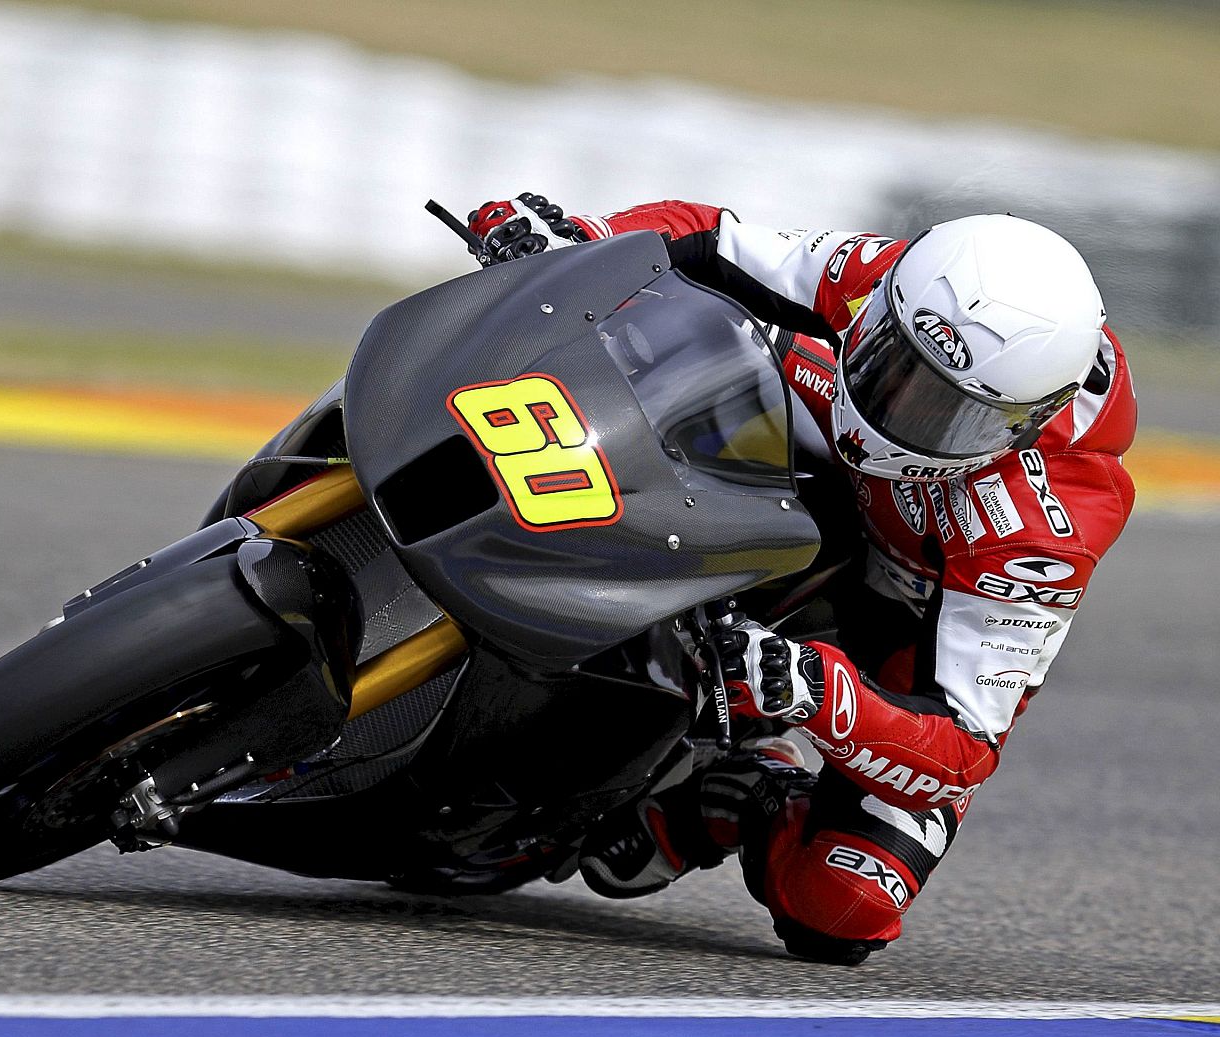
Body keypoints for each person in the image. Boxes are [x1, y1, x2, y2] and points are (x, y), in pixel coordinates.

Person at [465, 194, 1137, 965]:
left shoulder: (1042, 531)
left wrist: (814, 689)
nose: (893, 410)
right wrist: (581, 244)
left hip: (895, 622)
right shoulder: (903, 277)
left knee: (844, 907)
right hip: (801, 436)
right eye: (891, 360)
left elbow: (962, 748)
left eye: (944, 413)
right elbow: (707, 234)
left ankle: (734, 795)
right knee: (672, 331)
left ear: (1023, 422)